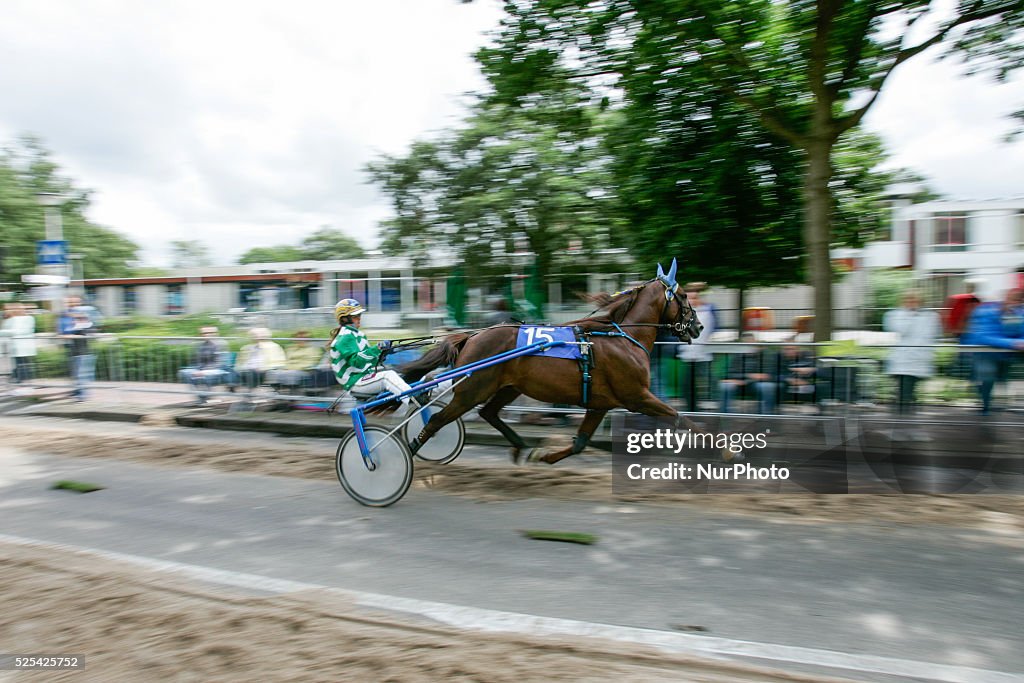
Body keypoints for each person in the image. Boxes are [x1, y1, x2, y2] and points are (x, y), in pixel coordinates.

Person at [329, 298, 414, 407]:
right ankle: (412, 399)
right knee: (387, 376)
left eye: (359, 315)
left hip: (364, 376)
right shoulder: (344, 338)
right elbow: (356, 361)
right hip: (355, 382)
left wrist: (384, 352)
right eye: (355, 316)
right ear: (345, 319)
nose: (359, 318)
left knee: (397, 370)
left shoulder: (357, 334)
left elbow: (369, 360)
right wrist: (377, 349)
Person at [962, 288, 1024, 415]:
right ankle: (985, 407)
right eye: (1013, 301)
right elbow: (982, 336)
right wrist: (1013, 343)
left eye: (1019, 302)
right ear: (1006, 299)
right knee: (987, 377)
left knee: (997, 378)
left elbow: (1019, 332)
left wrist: (1020, 341)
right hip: (981, 352)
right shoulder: (986, 311)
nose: (1016, 305)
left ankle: (988, 404)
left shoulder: (1016, 313)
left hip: (1002, 354)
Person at [883, 290, 941, 416]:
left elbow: (934, 334)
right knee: (904, 386)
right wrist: (910, 315)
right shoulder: (897, 315)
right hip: (903, 357)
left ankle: (904, 411)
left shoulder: (929, 316)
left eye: (914, 300)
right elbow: (901, 330)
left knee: (909, 387)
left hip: (919, 357)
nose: (911, 303)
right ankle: (902, 412)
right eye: (908, 300)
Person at [677, 282, 717, 412]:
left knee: (708, 383)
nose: (692, 300)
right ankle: (692, 410)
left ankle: (713, 410)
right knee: (687, 386)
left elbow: (714, 329)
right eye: (690, 298)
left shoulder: (709, 310)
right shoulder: (684, 313)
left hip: (704, 355)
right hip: (688, 355)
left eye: (695, 298)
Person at [719, 332, 777, 414]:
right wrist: (748, 376)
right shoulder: (737, 356)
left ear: (756, 342)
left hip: (756, 383)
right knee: (726, 385)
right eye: (746, 343)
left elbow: (767, 375)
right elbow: (730, 373)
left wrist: (747, 380)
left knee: (767, 386)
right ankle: (724, 414)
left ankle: (766, 414)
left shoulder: (764, 355)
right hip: (738, 383)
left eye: (751, 342)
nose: (749, 345)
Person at [179, 326, 233, 405]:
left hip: (218, 369)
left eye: (209, 333)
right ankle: (201, 398)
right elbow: (196, 361)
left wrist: (204, 371)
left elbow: (220, 362)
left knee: (203, 375)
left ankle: (204, 398)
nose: (206, 335)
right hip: (202, 369)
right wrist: (196, 369)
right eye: (203, 333)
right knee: (184, 373)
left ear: (216, 334)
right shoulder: (201, 345)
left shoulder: (221, 344)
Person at [61, 307, 96, 401]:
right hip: (75, 353)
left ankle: (82, 396)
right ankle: (78, 392)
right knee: (76, 375)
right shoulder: (74, 326)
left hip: (83, 353)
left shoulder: (87, 325)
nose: (75, 320)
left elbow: (85, 334)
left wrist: (70, 335)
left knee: (81, 375)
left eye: (79, 318)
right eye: (76, 318)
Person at [0, 303, 36, 387]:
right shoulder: (12, 319)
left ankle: (24, 380)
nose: (16, 310)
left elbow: (23, 331)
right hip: (15, 346)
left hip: (24, 345)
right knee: (17, 362)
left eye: (19, 309)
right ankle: (18, 378)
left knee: (23, 362)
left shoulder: (29, 318)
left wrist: (7, 332)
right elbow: (6, 329)